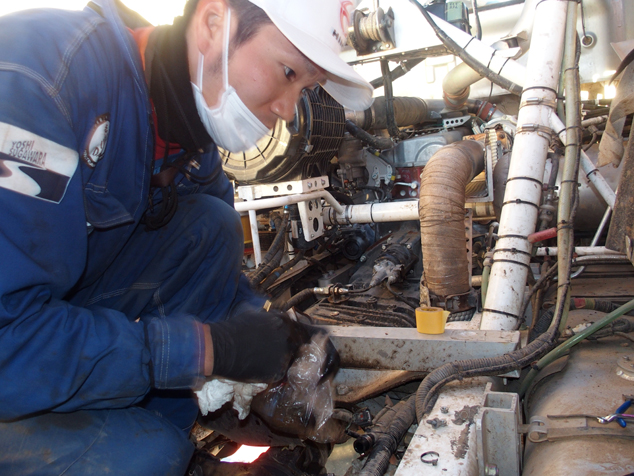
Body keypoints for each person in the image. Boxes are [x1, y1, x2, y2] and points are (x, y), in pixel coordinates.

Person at [0, 0, 372, 474]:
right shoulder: (39, 83)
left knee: (211, 227)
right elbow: (8, 339)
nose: (287, 109)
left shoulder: (187, 143)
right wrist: (208, 350)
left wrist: (280, 342)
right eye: (287, 71)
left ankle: (152, 437)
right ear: (214, 23)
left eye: (306, 87)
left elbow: (219, 290)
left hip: (37, 331)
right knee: (147, 456)